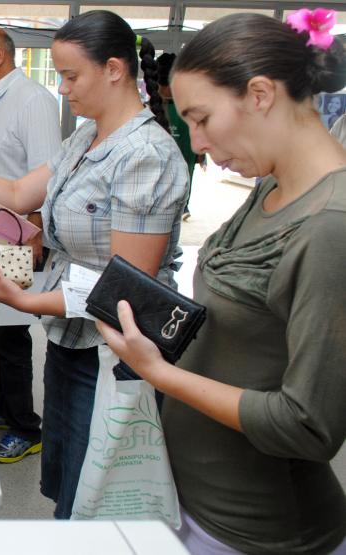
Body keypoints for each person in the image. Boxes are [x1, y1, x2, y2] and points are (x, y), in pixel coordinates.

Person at [0, 10, 187, 519]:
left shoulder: (145, 154)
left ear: (114, 70)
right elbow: (14, 192)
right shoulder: (84, 140)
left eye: (72, 76)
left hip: (116, 355)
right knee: (68, 487)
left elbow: (126, 289)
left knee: (97, 499)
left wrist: (26, 299)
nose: (64, 89)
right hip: (70, 337)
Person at [97, 12, 346, 555]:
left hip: (260, 529)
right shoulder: (272, 188)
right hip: (197, 499)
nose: (200, 144)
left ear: (259, 94)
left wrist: (158, 373)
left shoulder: (330, 227)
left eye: (202, 119)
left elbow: (308, 425)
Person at [0, 25, 60, 463]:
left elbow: (44, 172)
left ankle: (26, 427)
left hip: (16, 240)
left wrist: (34, 232)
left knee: (12, 338)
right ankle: (2, 405)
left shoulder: (32, 100)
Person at [157, 52, 206, 222]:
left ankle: (183, 205)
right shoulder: (157, 107)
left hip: (185, 157)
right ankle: (182, 205)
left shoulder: (187, 107)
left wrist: (201, 155)